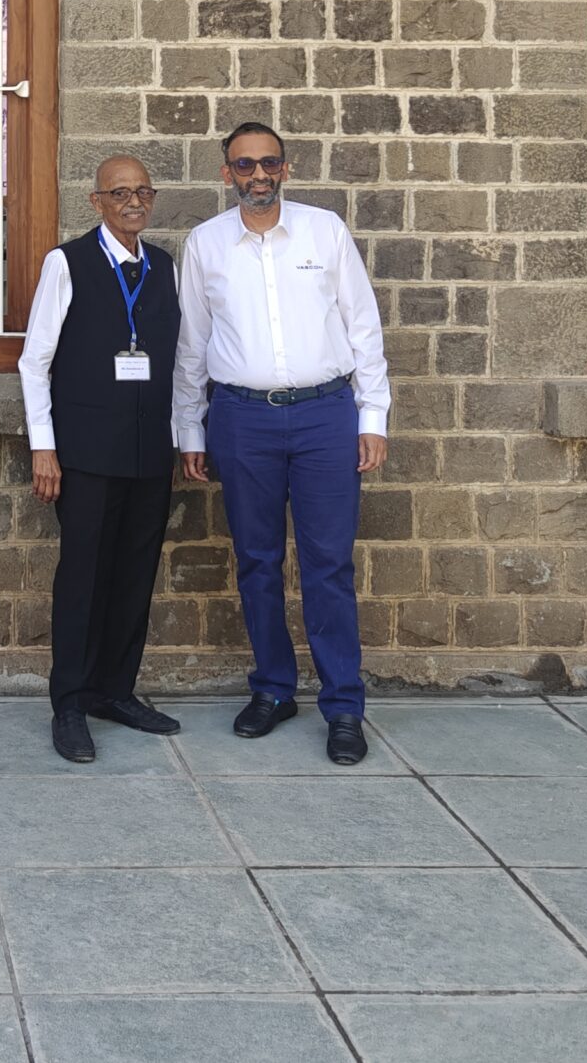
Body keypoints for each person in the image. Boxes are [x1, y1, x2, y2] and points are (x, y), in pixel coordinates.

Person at [173, 122, 390, 765]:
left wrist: (373, 417)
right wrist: (190, 427)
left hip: (326, 416)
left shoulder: (325, 231)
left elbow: (363, 325)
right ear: (227, 174)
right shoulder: (206, 243)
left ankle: (343, 705)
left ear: (286, 169)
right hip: (242, 419)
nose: (258, 174)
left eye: (269, 163)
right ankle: (272, 688)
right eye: (245, 165)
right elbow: (191, 345)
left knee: (329, 565)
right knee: (257, 560)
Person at [16, 155, 187, 764]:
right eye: (120, 193)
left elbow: (183, 361)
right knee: (83, 578)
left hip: (149, 452)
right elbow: (35, 361)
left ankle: (115, 691)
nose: (133, 202)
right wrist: (44, 447)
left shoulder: (164, 267)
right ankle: (69, 702)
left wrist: (186, 435)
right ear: (97, 201)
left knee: (135, 576)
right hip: (86, 452)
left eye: (142, 191)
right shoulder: (67, 263)